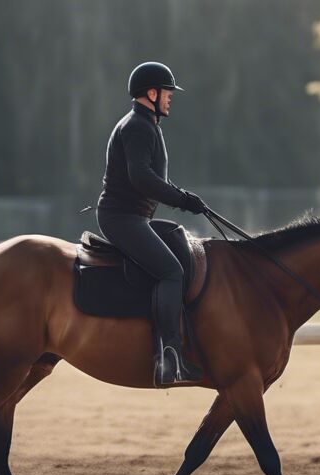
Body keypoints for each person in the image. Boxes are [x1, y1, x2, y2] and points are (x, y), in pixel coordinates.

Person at [95, 61, 208, 385]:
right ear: (152, 93)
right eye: (168, 93)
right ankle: (168, 356)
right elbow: (141, 177)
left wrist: (183, 199)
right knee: (170, 272)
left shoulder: (147, 125)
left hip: (136, 217)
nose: (171, 98)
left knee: (178, 242)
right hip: (121, 218)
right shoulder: (137, 127)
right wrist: (183, 199)